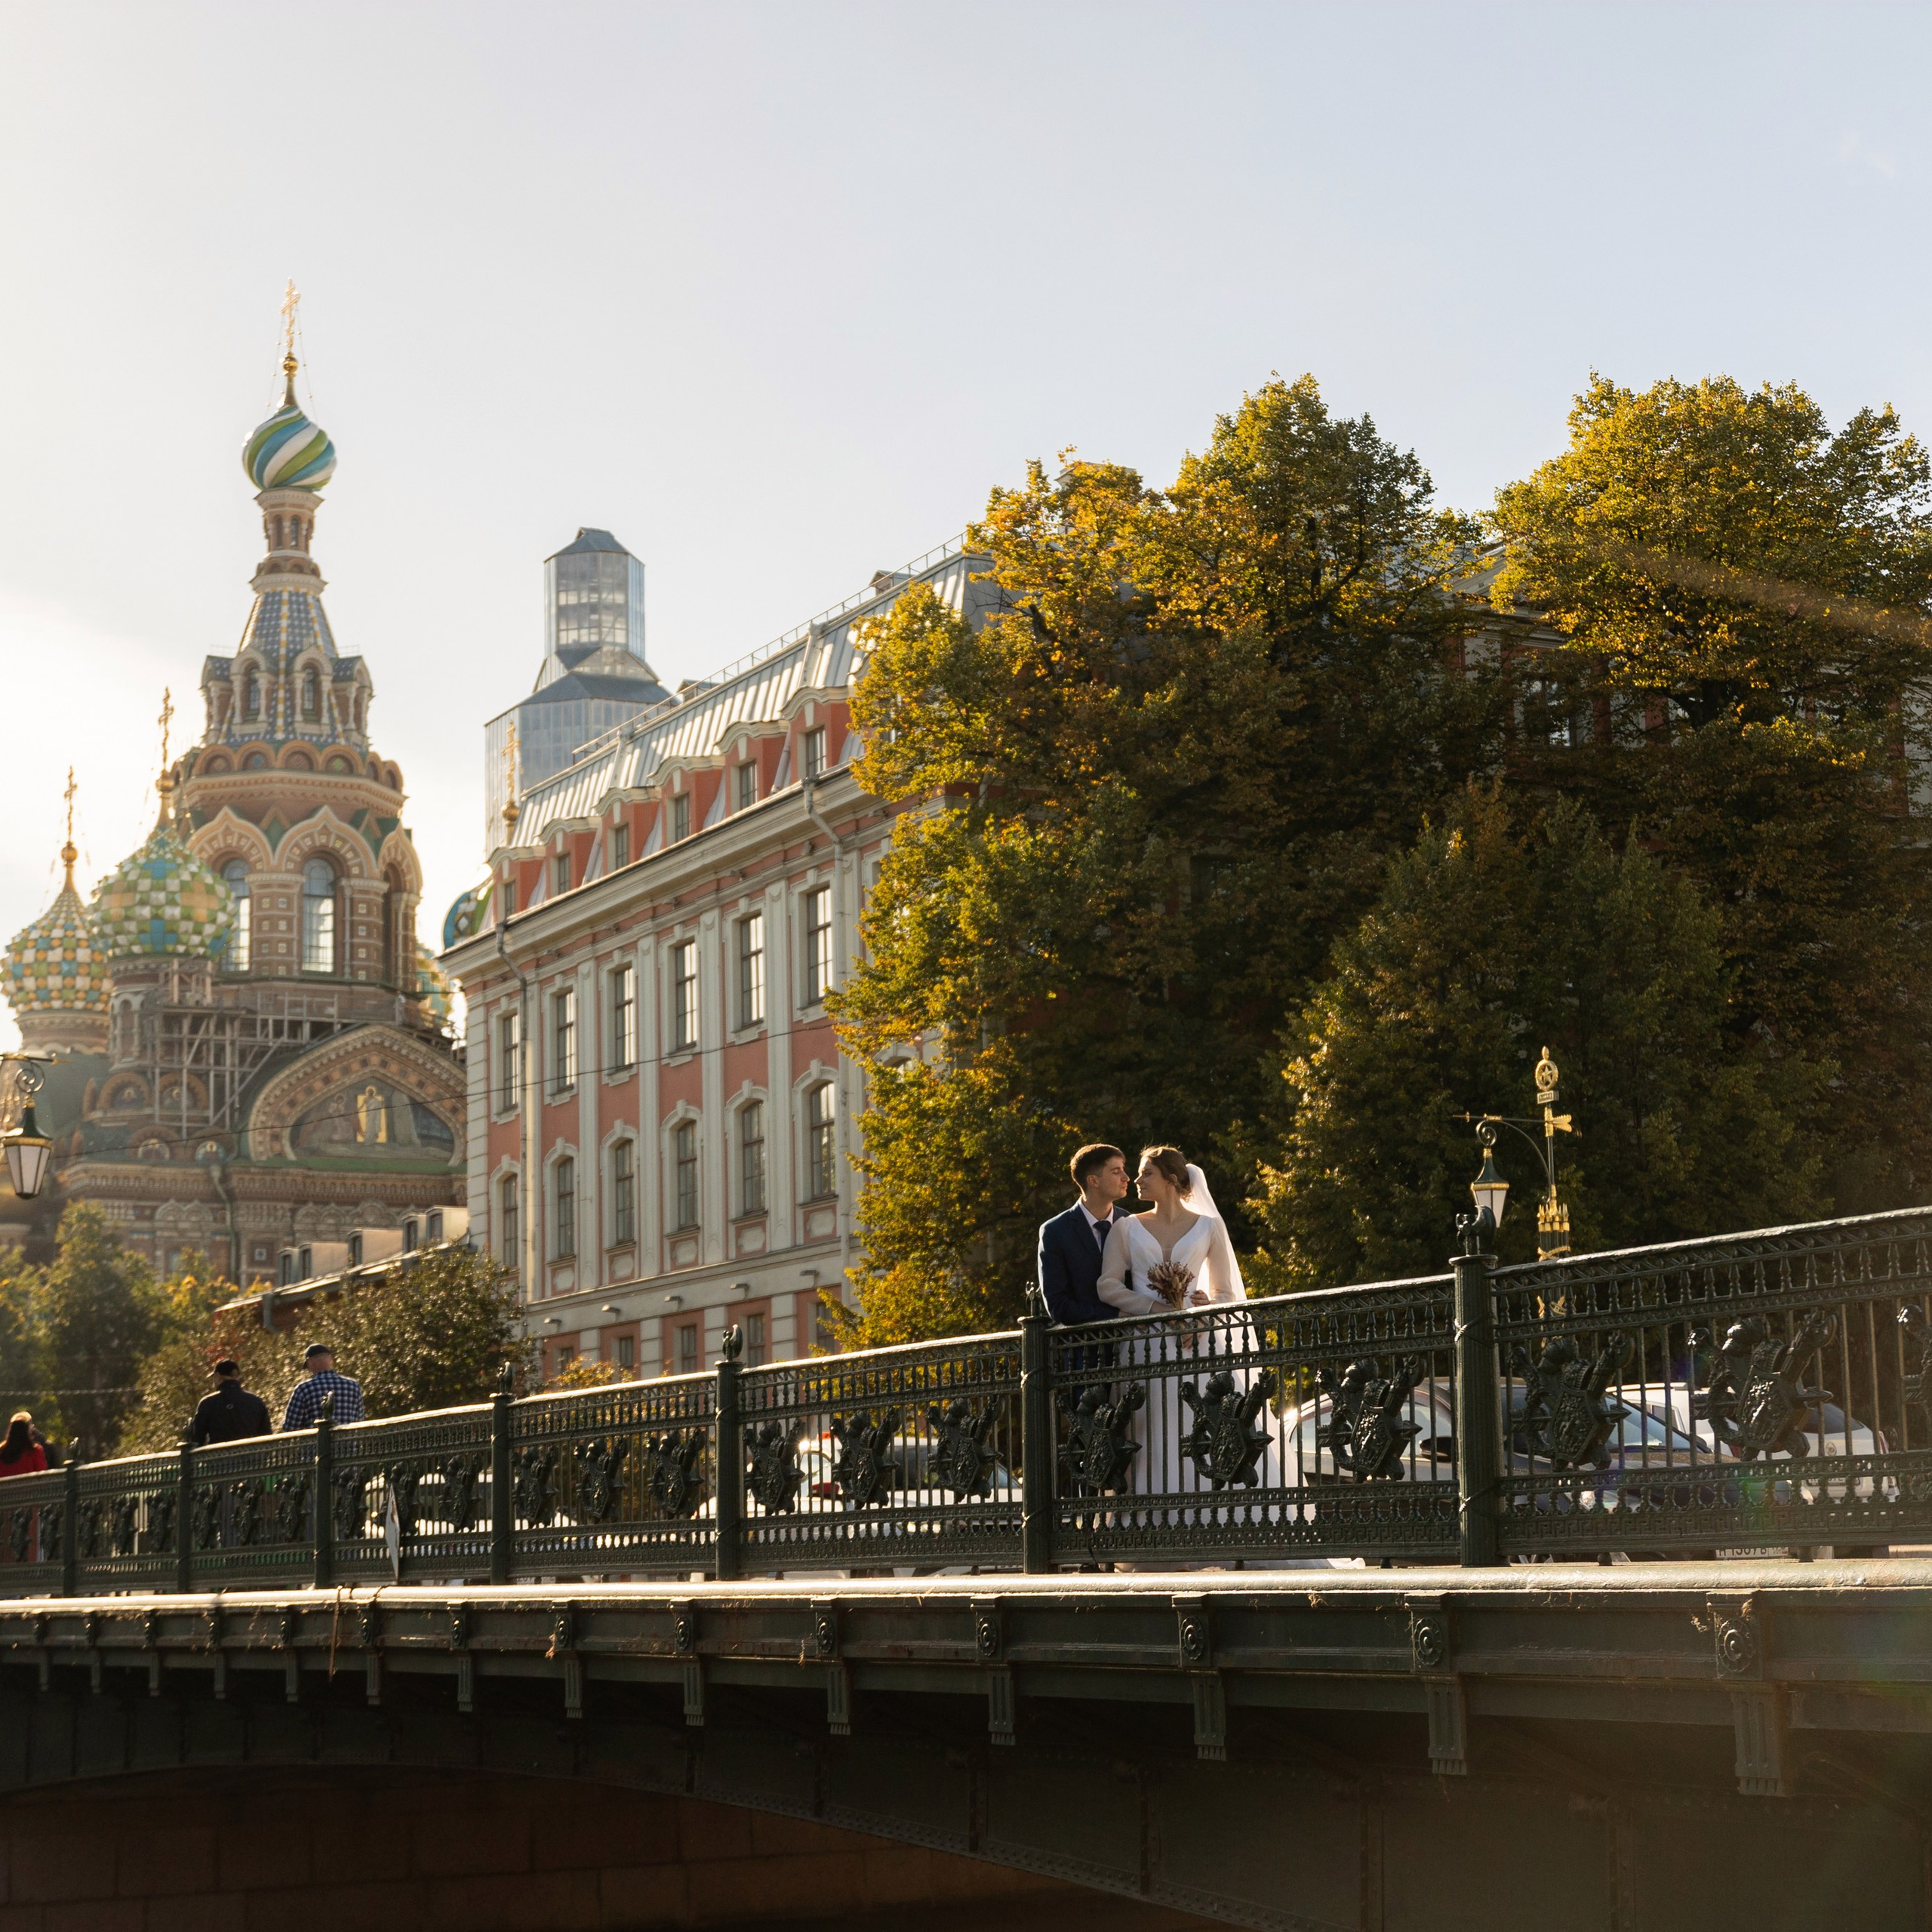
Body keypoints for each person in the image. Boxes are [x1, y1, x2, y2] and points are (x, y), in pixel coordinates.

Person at [1097, 1146, 1258, 1506]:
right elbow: (1108, 1286)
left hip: (1196, 1345)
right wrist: (1156, 1310)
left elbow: (1226, 1293)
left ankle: (1209, 1512)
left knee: (1199, 1424)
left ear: (1171, 1179)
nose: (1137, 1180)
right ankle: (1149, 1517)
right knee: (1149, 1430)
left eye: (1147, 1173)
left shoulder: (1209, 1226)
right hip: (1144, 1345)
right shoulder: (1126, 1227)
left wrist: (1202, 1317)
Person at [1038, 1143, 1131, 1325]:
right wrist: (1118, 1315)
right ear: (1093, 1181)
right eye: (1116, 1172)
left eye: (1123, 1170)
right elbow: (1058, 1305)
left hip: (1137, 1339)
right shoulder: (1055, 1231)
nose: (1126, 1177)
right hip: (1085, 1342)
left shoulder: (1131, 1223)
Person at [280, 1343, 366, 1431]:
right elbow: (359, 1422)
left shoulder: (303, 1389)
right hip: (348, 1440)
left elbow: (290, 1427)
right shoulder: (353, 1386)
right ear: (330, 1360)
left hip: (317, 1440)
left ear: (310, 1362)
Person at [189, 1359, 272, 1446]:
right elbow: (267, 1436)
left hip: (219, 1454)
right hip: (252, 1454)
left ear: (217, 1376)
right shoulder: (257, 1401)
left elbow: (197, 1440)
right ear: (237, 1377)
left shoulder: (207, 1403)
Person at [0, 1414, 47, 1478]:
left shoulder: (1, 1451)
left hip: (6, 1485)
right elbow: (42, 1475)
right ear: (28, 1433)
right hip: (30, 1484)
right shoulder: (35, 1451)